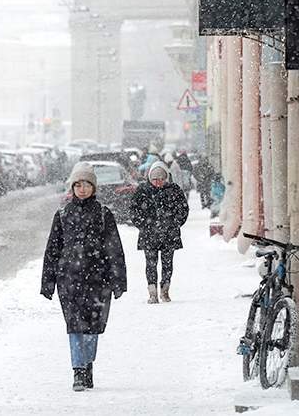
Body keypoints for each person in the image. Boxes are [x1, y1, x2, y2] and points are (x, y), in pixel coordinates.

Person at [41, 163, 127, 392]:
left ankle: (88, 364)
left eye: (86, 184)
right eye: (77, 185)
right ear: (72, 188)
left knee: (93, 327)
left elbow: (114, 248)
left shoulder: (103, 214)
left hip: (98, 280)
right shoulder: (62, 215)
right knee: (75, 326)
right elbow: (52, 249)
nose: (82, 189)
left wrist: (118, 280)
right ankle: (78, 370)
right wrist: (48, 282)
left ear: (93, 187)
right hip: (69, 279)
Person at [130, 161, 189, 304]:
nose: (158, 182)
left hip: (169, 234)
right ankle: (152, 293)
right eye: (155, 179)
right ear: (150, 178)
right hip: (149, 235)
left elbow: (183, 209)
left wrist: (174, 224)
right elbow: (134, 211)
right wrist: (144, 225)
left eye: (161, 179)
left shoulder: (174, 190)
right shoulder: (142, 191)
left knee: (167, 263)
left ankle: (165, 290)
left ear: (166, 178)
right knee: (150, 264)